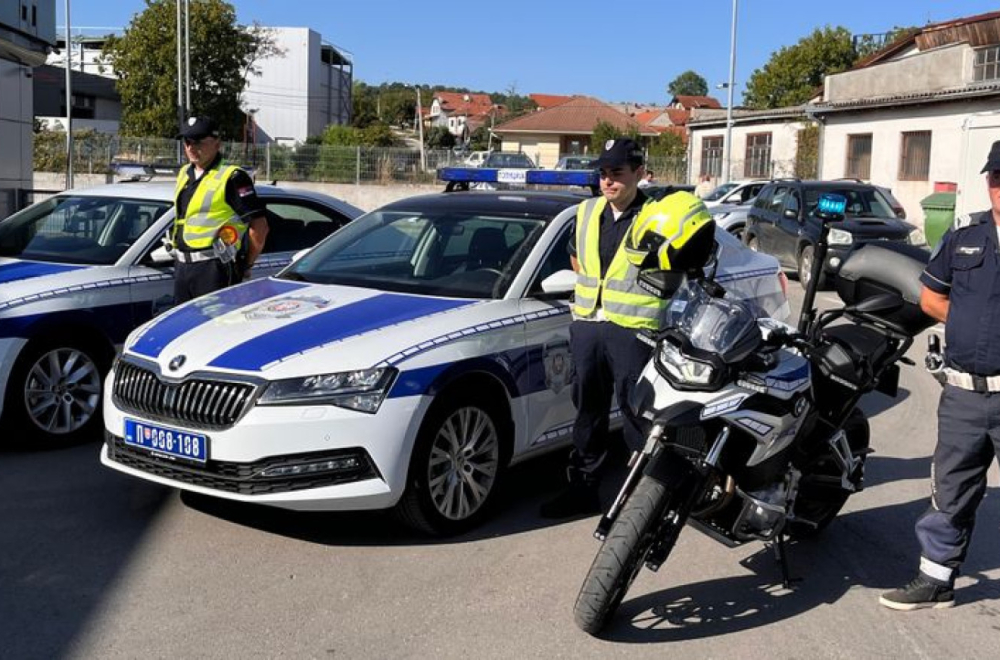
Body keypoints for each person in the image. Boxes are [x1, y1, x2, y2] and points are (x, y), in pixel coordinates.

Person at [539, 138, 713, 519]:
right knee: (588, 413)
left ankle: (645, 497)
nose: (608, 182)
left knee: (639, 417)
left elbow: (688, 255)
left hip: (633, 330)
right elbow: (576, 256)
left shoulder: (659, 214)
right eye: (603, 174)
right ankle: (584, 489)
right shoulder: (586, 212)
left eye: (616, 174)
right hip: (588, 325)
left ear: (639, 173)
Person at [879, 140, 1000, 611]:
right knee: (950, 490)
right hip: (965, 394)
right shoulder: (964, 237)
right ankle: (936, 579)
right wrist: (970, 324)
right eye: (996, 178)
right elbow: (931, 298)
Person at [168, 115, 269, 305]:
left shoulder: (232, 177)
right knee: (186, 330)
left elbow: (260, 226)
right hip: (183, 267)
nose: (190, 147)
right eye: (187, 141)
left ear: (217, 143)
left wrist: (246, 264)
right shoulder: (184, 173)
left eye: (198, 141)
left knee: (216, 329)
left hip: (214, 268)